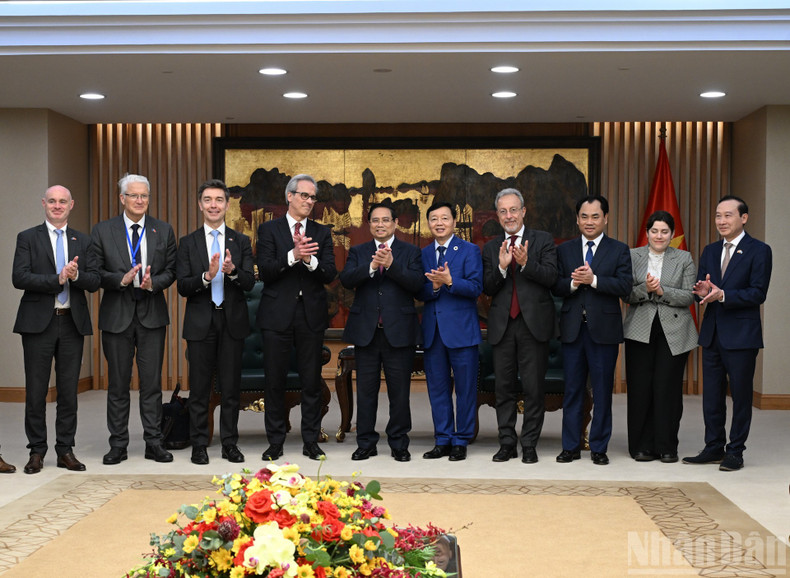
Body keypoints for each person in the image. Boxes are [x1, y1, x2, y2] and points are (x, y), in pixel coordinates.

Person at [12, 185, 100, 474]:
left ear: (71, 204)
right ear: (44, 204)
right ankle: (36, 451)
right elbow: (19, 277)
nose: (57, 206)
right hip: (39, 323)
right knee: (36, 391)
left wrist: (75, 277)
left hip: (71, 323)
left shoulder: (82, 241)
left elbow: (94, 281)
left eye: (63, 201)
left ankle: (65, 450)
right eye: (52, 201)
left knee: (68, 392)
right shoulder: (27, 238)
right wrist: (57, 278)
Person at [91, 174, 177, 465]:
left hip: (152, 316)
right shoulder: (103, 231)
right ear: (122, 199)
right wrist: (121, 279)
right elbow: (95, 271)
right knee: (117, 384)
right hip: (117, 316)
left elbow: (173, 269)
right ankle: (118, 445)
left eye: (144, 196)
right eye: (134, 196)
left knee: (152, 384)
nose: (140, 201)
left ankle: (154, 442)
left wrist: (154, 283)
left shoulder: (162, 230)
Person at [684, 196, 772, 472]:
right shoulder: (710, 251)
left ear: (743, 218)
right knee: (711, 395)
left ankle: (735, 451)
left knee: (741, 396)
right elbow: (706, 286)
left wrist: (724, 294)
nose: (721, 221)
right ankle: (713, 446)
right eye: (718, 216)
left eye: (728, 215)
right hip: (712, 333)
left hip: (742, 335)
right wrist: (702, 291)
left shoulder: (759, 250)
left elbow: (758, 292)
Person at [256, 174, 337, 461]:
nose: (309, 201)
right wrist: (292, 255)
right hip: (276, 315)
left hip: (311, 316)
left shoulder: (322, 232)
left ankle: (311, 441)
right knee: (275, 381)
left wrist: (309, 260)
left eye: (313, 197)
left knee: (311, 382)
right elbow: (265, 271)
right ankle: (275, 442)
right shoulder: (268, 230)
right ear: (289, 196)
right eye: (304, 195)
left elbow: (329, 273)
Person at [176, 179, 255, 465]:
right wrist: (207, 277)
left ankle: (230, 444)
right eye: (208, 200)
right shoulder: (187, 243)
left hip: (232, 322)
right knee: (199, 389)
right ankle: (199, 444)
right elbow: (182, 286)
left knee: (231, 388)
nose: (213, 205)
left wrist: (232, 271)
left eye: (219, 200)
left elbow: (249, 282)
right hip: (200, 323)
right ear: (200, 205)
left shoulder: (241, 241)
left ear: (227, 205)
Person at [340, 203, 423, 462]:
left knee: (399, 392)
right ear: (369, 225)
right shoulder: (359, 251)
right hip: (366, 332)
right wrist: (372, 267)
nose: (380, 224)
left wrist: (393, 265)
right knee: (366, 391)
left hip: (399, 331)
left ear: (395, 223)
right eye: (375, 220)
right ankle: (365, 442)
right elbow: (347, 279)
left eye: (385, 220)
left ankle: (399, 442)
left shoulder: (410, 252)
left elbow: (417, 285)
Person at [552, 195, 632, 465]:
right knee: (573, 390)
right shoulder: (564, 250)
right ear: (577, 220)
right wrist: (574, 284)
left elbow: (624, 286)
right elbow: (556, 285)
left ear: (606, 218)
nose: (589, 222)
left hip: (604, 331)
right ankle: (570, 446)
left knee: (601, 391)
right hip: (573, 330)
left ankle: (599, 447)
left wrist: (594, 280)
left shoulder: (619, 250)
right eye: (584, 217)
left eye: (595, 216)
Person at [482, 188, 557, 464]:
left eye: (513, 210)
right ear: (498, 215)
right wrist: (501, 269)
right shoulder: (491, 247)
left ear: (524, 211)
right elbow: (487, 287)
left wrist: (526, 264)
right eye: (503, 211)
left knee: (534, 388)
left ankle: (529, 445)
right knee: (504, 388)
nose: (509, 216)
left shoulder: (543, 240)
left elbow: (552, 278)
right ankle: (506, 444)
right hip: (503, 325)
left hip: (533, 325)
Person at [622, 210, 697, 463]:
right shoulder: (632, 256)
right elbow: (626, 293)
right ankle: (641, 446)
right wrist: (646, 289)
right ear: (647, 233)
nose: (659, 235)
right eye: (654, 231)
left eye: (665, 231)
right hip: (639, 329)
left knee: (667, 389)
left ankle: (667, 446)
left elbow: (689, 296)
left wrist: (662, 291)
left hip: (674, 331)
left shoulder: (684, 258)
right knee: (640, 388)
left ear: (672, 234)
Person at [420, 202, 483, 462]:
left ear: (454, 222)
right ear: (429, 224)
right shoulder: (423, 253)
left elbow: (476, 287)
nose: (439, 223)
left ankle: (461, 439)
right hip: (433, 332)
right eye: (434, 219)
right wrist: (434, 288)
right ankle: (443, 438)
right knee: (438, 388)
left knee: (466, 388)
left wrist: (450, 282)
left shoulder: (470, 250)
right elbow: (417, 290)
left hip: (462, 332)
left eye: (444, 218)